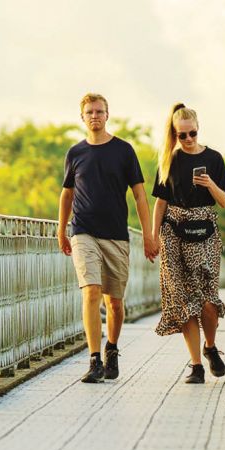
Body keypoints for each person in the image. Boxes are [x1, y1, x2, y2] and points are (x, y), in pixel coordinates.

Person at [59, 93, 152, 384]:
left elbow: (139, 195)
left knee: (114, 302)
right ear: (82, 118)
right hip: (83, 230)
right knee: (91, 291)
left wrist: (149, 236)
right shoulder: (75, 153)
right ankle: (94, 360)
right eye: (89, 112)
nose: (95, 116)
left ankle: (111, 349)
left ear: (107, 115)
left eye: (99, 111)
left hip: (116, 235)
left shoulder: (123, 151)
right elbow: (67, 194)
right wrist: (61, 229)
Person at [146, 102, 225, 384]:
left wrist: (210, 184)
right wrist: (153, 236)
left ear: (198, 129)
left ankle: (210, 347)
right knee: (182, 300)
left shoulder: (215, 158)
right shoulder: (168, 160)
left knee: (207, 301)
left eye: (191, 134)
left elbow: (224, 201)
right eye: (181, 135)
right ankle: (196, 365)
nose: (188, 140)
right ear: (174, 134)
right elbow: (161, 202)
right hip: (173, 232)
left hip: (205, 232)